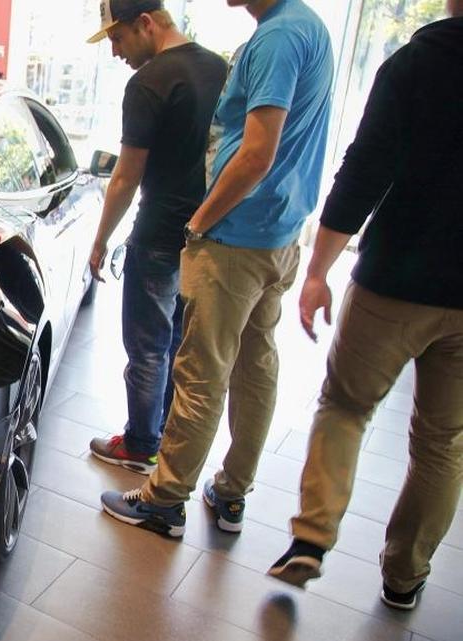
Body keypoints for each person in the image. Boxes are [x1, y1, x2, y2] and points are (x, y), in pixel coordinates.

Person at [100, 0, 334, 538]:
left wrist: (201, 222)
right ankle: (231, 494)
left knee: (200, 373)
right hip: (279, 232)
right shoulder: (305, 28)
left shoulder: (275, 41)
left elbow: (257, 152)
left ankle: (164, 501)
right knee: (255, 368)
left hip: (235, 236)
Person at [266, 1, 463, 611]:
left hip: (395, 280)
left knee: (346, 406)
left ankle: (312, 540)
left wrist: (319, 268)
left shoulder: (416, 63)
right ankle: (405, 575)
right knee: (443, 441)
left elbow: (365, 169)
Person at [85, 0, 227, 476]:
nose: (115, 52)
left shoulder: (147, 83)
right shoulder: (221, 70)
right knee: (182, 348)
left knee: (148, 343)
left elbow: (126, 176)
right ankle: (168, 439)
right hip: (209, 234)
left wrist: (101, 239)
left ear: (146, 23)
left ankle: (141, 443)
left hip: (159, 233)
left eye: (118, 39)